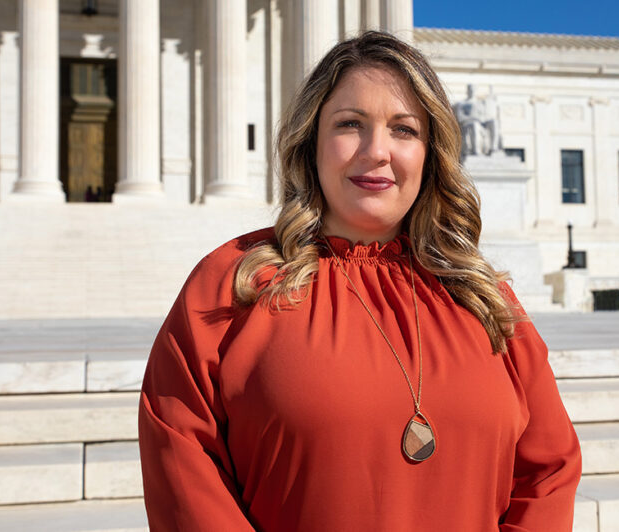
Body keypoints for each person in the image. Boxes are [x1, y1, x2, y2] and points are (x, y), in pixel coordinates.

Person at [138, 31, 581, 531]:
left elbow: (549, 469)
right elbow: (182, 458)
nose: (377, 151)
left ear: (430, 152)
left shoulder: (484, 297)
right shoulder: (232, 282)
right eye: (350, 124)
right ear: (312, 140)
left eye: (404, 130)